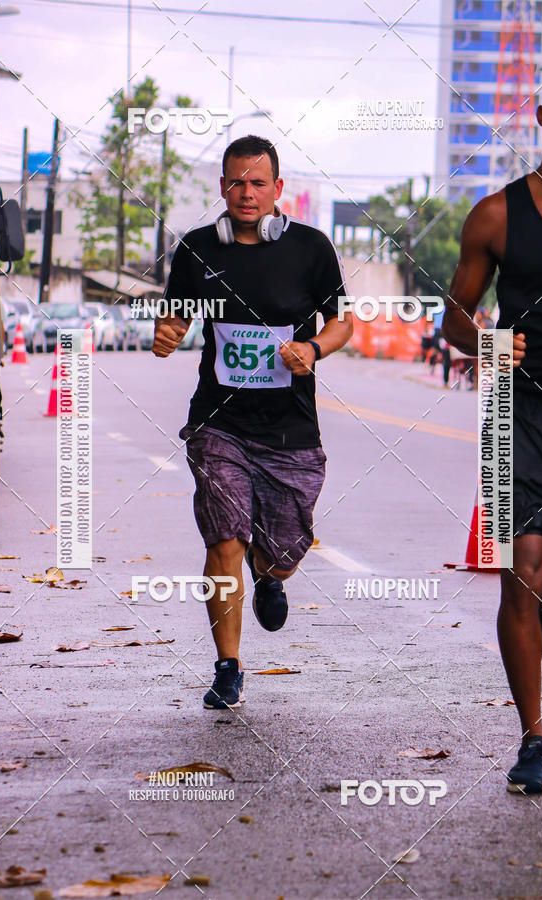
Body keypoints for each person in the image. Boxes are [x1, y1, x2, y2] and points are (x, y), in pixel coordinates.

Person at [152, 135, 353, 710]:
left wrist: (313, 349)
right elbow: (175, 317)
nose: (246, 192)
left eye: (258, 182)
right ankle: (227, 667)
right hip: (219, 424)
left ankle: (272, 575)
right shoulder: (196, 250)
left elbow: (344, 324)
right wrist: (167, 333)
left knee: (281, 553)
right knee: (224, 540)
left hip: (291, 431)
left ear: (277, 190)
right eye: (236, 181)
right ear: (222, 187)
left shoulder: (311, 249)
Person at [443, 66, 542, 794]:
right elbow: (455, 317)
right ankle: (534, 737)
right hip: (517, 416)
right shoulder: (496, 215)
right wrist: (487, 342)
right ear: (541, 112)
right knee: (518, 575)